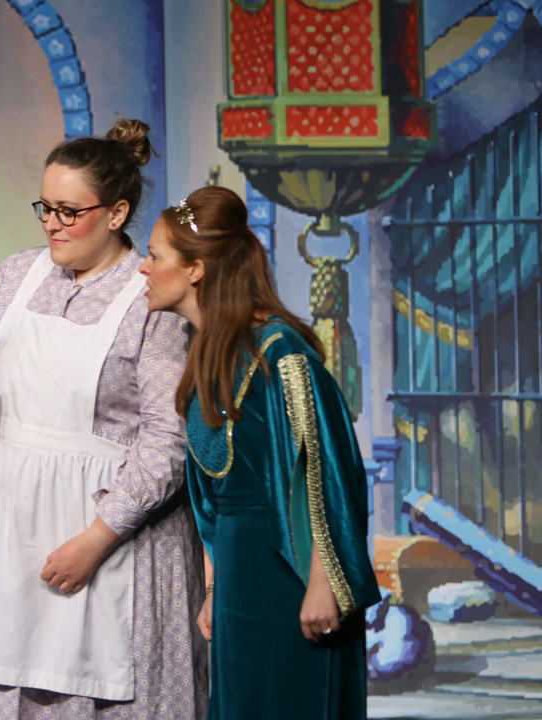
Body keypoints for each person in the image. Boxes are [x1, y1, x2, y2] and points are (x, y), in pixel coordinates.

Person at [0, 119, 208, 719]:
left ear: (117, 213)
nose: (51, 223)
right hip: (4, 528)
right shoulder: (20, 274)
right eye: (45, 207)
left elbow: (166, 443)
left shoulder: (150, 297)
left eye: (70, 212)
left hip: (105, 533)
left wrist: (97, 540)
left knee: (92, 682)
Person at [141, 185, 380, 719]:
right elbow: (213, 498)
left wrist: (323, 582)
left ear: (195, 269)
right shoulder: (207, 359)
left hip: (289, 577)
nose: (143, 268)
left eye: (155, 256)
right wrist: (214, 587)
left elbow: (328, 471)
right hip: (240, 579)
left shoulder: (280, 354)